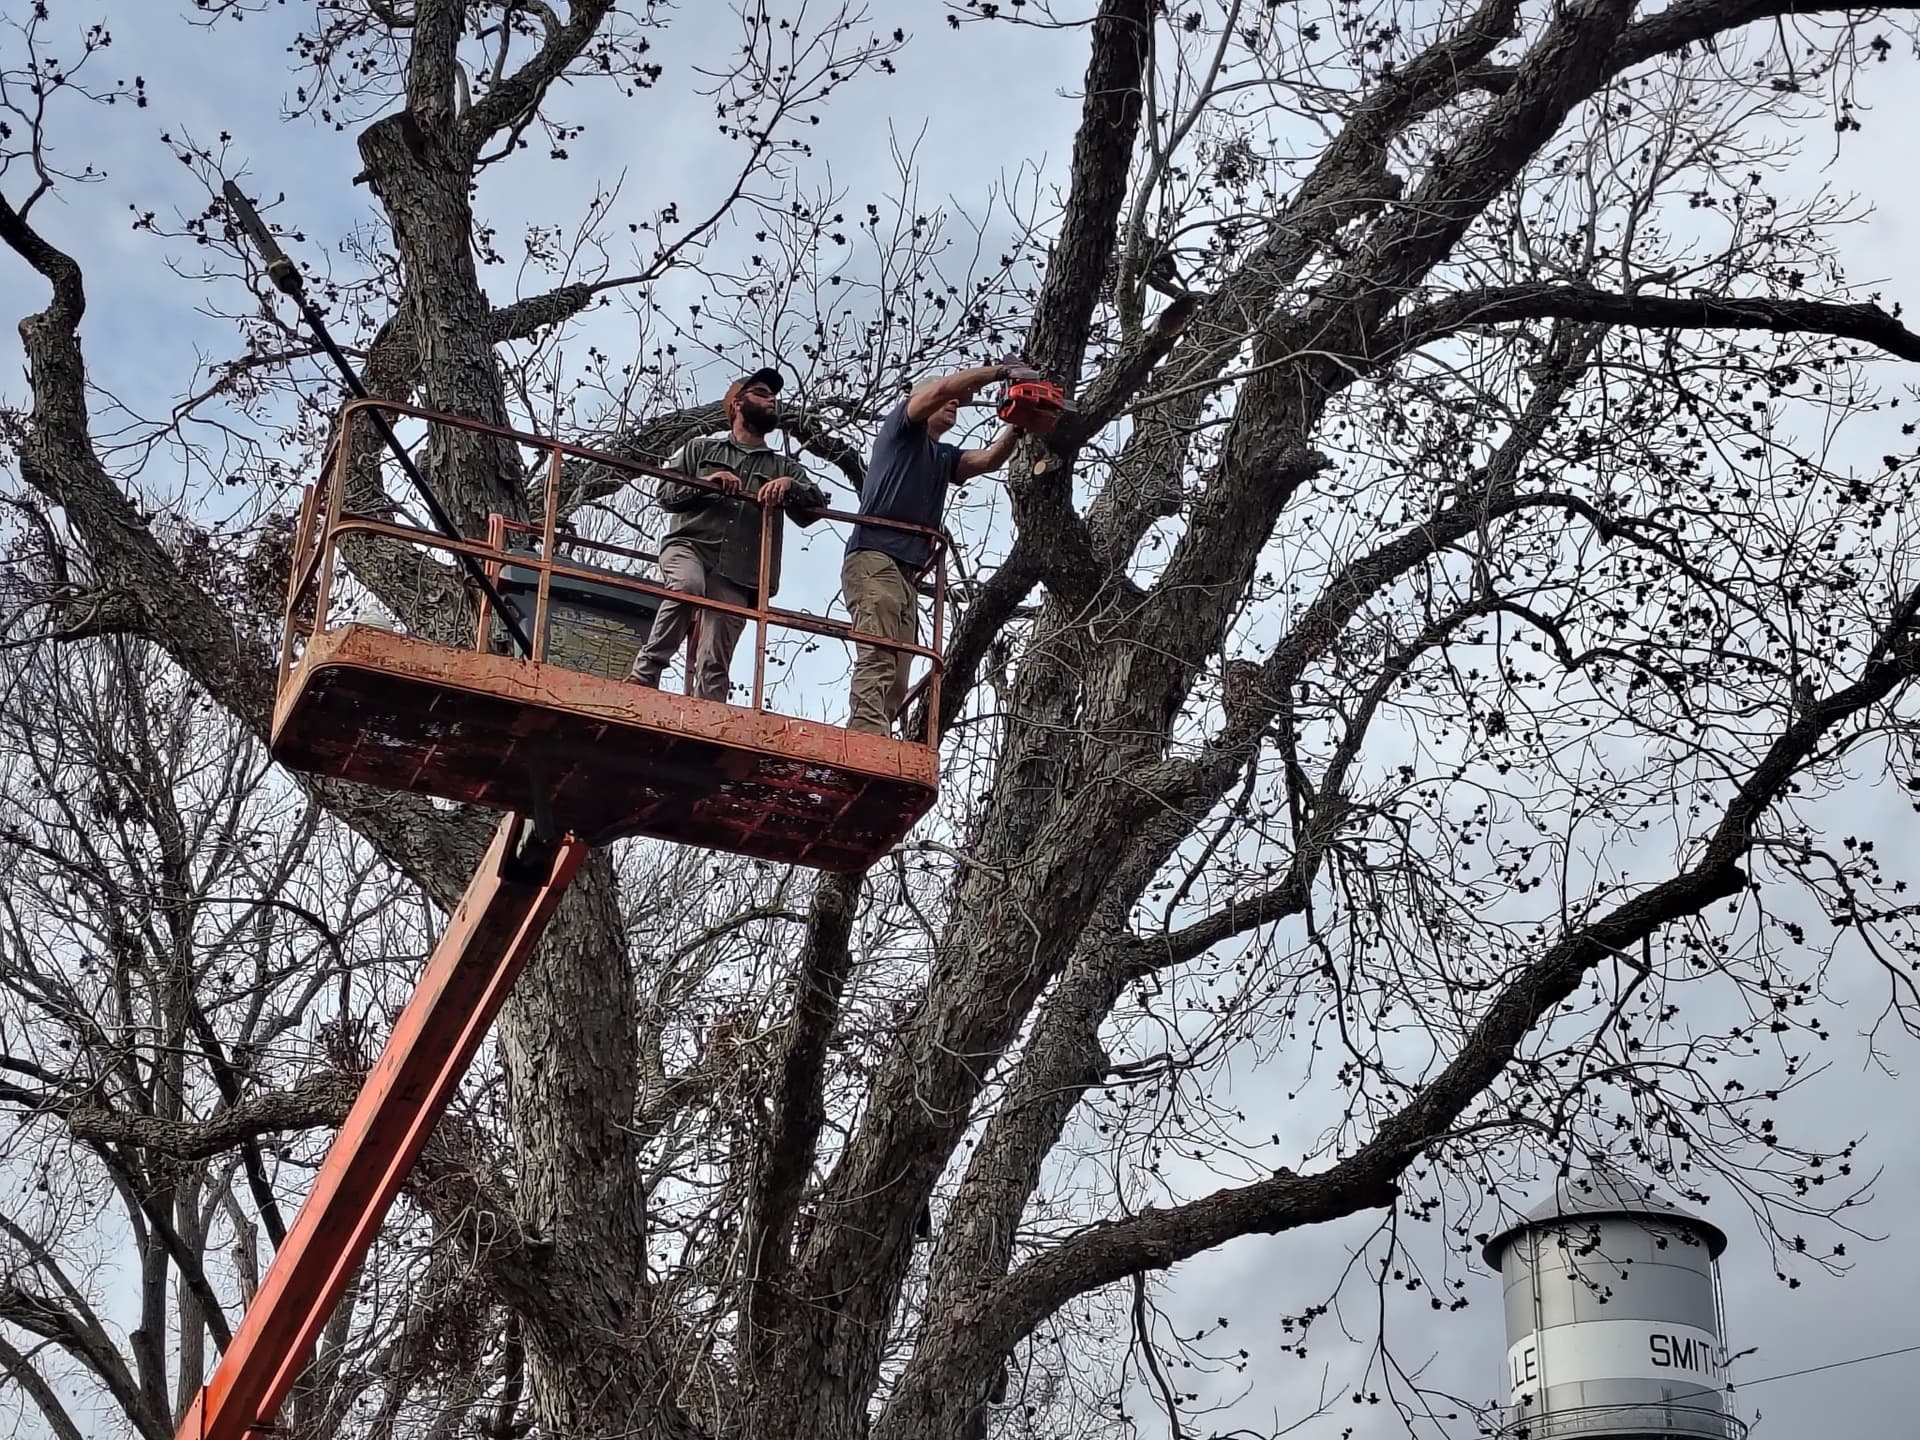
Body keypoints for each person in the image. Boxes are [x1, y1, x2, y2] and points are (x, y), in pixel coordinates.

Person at [841, 354, 1040, 735]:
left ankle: (879, 733)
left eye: (958, 404)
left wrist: (1018, 425)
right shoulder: (903, 428)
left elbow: (987, 461)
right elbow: (946, 388)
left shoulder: (943, 455)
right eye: (949, 400)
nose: (955, 404)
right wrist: (1002, 373)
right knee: (879, 651)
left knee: (901, 666)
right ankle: (866, 735)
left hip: (906, 571)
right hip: (875, 557)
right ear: (923, 400)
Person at [629, 367, 830, 702]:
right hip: (689, 546)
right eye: (762, 393)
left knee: (716, 653)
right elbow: (665, 495)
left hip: (739, 571)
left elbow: (815, 509)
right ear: (737, 404)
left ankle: (708, 713)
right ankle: (645, 674)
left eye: (774, 397)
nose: (772, 401)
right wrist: (708, 485)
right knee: (686, 587)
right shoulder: (699, 449)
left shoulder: (783, 467)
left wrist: (791, 487)